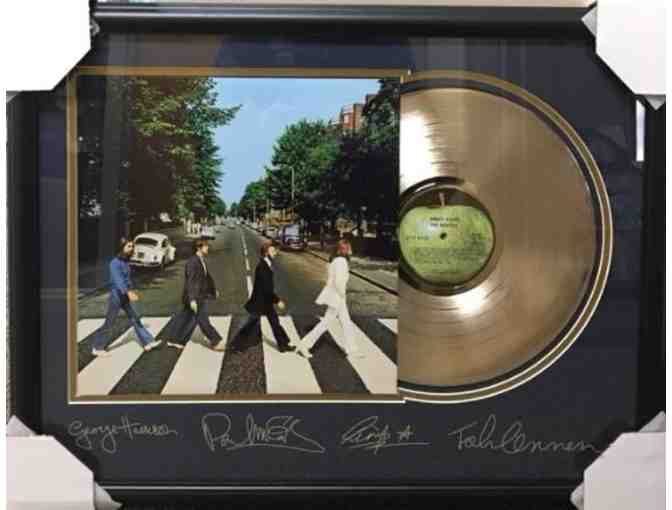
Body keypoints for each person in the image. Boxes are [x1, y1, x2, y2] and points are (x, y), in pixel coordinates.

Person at [218, 241, 294, 353]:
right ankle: (236, 346)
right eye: (273, 250)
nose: (276, 252)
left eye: (275, 250)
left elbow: (267, 289)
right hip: (259, 302)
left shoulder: (267, 264)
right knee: (251, 325)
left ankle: (283, 345)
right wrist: (277, 300)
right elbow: (266, 289)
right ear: (266, 252)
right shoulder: (262, 267)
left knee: (275, 322)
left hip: (266, 301)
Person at [293, 239, 363, 359]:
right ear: (344, 249)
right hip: (338, 297)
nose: (350, 250)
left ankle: (352, 350)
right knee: (326, 323)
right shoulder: (341, 261)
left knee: (345, 322)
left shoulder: (334, 261)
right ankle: (304, 345)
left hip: (337, 296)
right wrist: (342, 294)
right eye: (349, 247)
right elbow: (338, 282)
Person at [92, 239, 161, 357]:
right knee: (110, 322)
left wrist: (131, 289)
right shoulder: (115, 263)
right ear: (122, 248)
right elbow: (118, 280)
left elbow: (127, 280)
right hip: (117, 296)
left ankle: (148, 342)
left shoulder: (125, 262)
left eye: (132, 246)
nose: (132, 249)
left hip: (125, 295)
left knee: (135, 318)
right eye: (129, 246)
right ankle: (97, 347)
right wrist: (128, 292)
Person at [165, 239, 223, 350]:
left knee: (185, 318)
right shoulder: (192, 262)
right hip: (195, 297)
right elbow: (190, 282)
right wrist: (192, 300)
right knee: (203, 320)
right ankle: (216, 341)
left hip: (198, 295)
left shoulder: (200, 260)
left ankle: (174, 340)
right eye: (206, 246)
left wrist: (213, 291)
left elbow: (205, 278)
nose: (208, 248)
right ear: (199, 248)